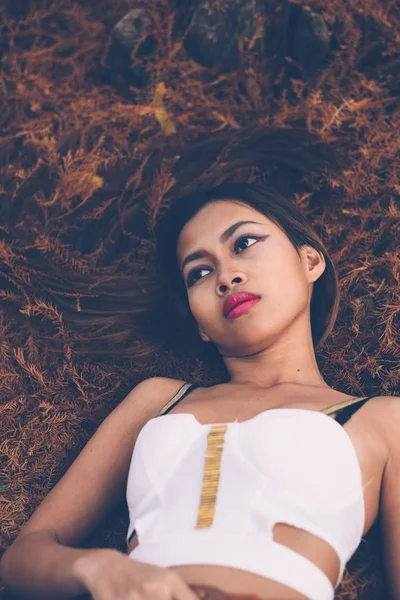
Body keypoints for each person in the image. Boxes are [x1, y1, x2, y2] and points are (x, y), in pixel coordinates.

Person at [0, 139, 399, 600]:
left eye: (245, 243)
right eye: (199, 273)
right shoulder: (158, 400)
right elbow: (22, 559)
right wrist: (100, 567)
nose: (226, 276)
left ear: (310, 261)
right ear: (201, 325)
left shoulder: (383, 420)